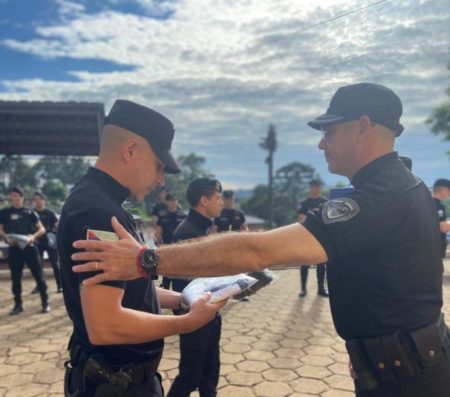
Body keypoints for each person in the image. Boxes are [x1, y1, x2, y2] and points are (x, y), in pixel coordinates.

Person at [71, 83, 450, 397]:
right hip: (402, 364)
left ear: (363, 127)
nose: (322, 144)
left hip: (408, 376)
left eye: (329, 131)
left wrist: (144, 260)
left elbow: (258, 249)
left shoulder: (377, 197)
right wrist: (369, 348)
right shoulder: (405, 186)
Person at [57, 99, 224, 397]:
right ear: (130, 150)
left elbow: (130, 292)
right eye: (159, 167)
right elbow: (106, 325)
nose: (161, 181)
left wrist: (184, 298)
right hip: (114, 385)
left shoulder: (99, 203)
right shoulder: (99, 213)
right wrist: (186, 324)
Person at [168, 178, 224, 397]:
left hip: (209, 310)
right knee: (190, 375)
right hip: (194, 314)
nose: (221, 203)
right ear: (204, 200)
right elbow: (187, 283)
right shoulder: (187, 233)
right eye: (217, 198)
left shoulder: (202, 227)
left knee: (210, 373)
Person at [0, 186, 50, 315]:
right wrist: (6, 237)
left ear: (22, 197)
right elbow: (0, 228)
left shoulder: (30, 213)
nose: (13, 198)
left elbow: (42, 229)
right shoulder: (5, 213)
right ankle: (18, 304)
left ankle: (45, 302)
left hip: (30, 248)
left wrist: (32, 236)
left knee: (38, 276)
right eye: (12, 196)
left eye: (16, 196)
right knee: (16, 278)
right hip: (14, 249)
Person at [297, 179, 328, 298]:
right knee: (304, 264)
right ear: (310, 188)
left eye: (318, 186)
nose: (316, 188)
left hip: (321, 237)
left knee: (322, 264)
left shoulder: (325, 202)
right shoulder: (305, 203)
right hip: (307, 236)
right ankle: (303, 289)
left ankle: (321, 289)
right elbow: (301, 219)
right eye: (314, 186)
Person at [32, 191, 62, 293]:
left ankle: (60, 285)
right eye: (35, 199)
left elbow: (57, 226)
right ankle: (40, 286)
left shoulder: (50, 213)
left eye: (38, 199)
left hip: (50, 243)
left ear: (43, 200)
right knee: (38, 265)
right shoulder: (32, 214)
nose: (37, 201)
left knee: (55, 264)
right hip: (37, 242)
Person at [155, 193, 186, 290]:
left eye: (174, 201)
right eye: (171, 201)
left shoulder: (182, 215)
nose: (173, 203)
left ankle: (178, 289)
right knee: (167, 270)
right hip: (166, 246)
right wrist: (159, 244)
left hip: (179, 247)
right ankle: (165, 286)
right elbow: (158, 232)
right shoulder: (162, 215)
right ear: (167, 202)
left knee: (178, 270)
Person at [432, 178, 450, 258]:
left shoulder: (427, 203)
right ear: (444, 190)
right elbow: (443, 228)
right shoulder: (438, 206)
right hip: (436, 249)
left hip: (427, 247)